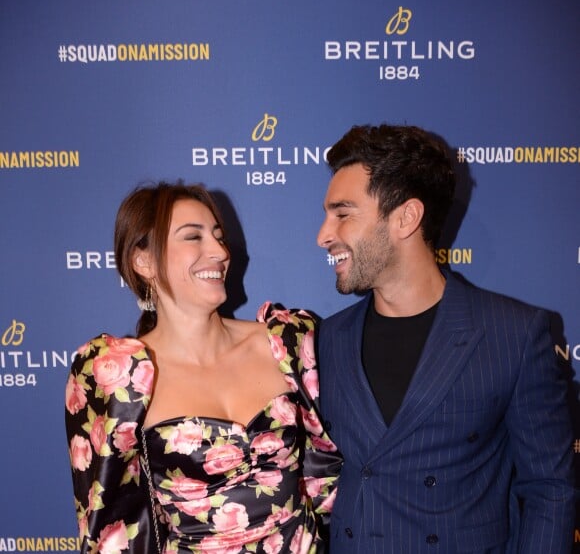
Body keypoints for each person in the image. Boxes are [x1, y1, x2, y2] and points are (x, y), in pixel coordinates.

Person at [316, 124, 575, 553]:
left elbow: (550, 491)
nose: (324, 234)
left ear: (406, 217)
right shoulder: (327, 339)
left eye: (343, 213)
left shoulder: (513, 334)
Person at [65, 181, 341, 553]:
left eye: (218, 236)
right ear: (143, 261)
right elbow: (106, 529)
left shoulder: (289, 341)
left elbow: (333, 470)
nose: (218, 252)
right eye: (192, 237)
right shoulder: (118, 380)